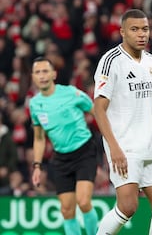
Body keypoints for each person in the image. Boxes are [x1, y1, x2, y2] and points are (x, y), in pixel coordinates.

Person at [93, 9, 152, 235]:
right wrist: (114, 148)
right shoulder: (111, 61)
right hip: (124, 144)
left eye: (145, 29)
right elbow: (98, 109)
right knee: (128, 206)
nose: (142, 34)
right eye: (135, 29)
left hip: (151, 143)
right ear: (122, 32)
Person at [30, 57, 98, 235]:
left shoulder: (71, 93)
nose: (42, 76)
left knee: (83, 202)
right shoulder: (35, 104)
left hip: (84, 151)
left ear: (54, 74)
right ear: (33, 77)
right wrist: (37, 166)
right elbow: (39, 138)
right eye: (38, 72)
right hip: (61, 158)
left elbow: (98, 112)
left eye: (45, 71)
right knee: (67, 210)